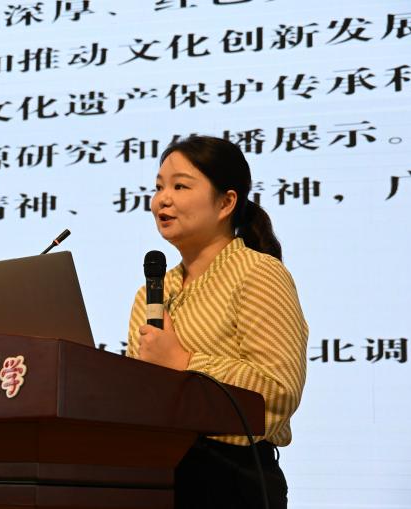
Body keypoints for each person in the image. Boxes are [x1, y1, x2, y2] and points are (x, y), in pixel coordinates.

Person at [125, 135, 308, 509]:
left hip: (233, 480)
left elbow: (278, 391)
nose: (162, 199)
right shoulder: (151, 293)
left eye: (180, 186)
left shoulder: (258, 273)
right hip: (155, 478)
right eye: (158, 187)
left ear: (226, 202)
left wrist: (184, 362)